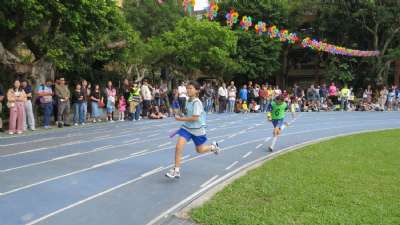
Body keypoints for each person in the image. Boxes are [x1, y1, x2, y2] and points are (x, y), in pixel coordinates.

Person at [165, 81, 220, 179]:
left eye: (191, 88)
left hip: (197, 130)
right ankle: (176, 170)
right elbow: (187, 114)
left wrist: (180, 119)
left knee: (200, 150)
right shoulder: (188, 100)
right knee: (178, 147)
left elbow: (195, 118)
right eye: (188, 88)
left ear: (197, 91)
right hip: (186, 128)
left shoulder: (197, 103)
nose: (188, 90)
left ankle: (213, 147)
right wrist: (180, 113)